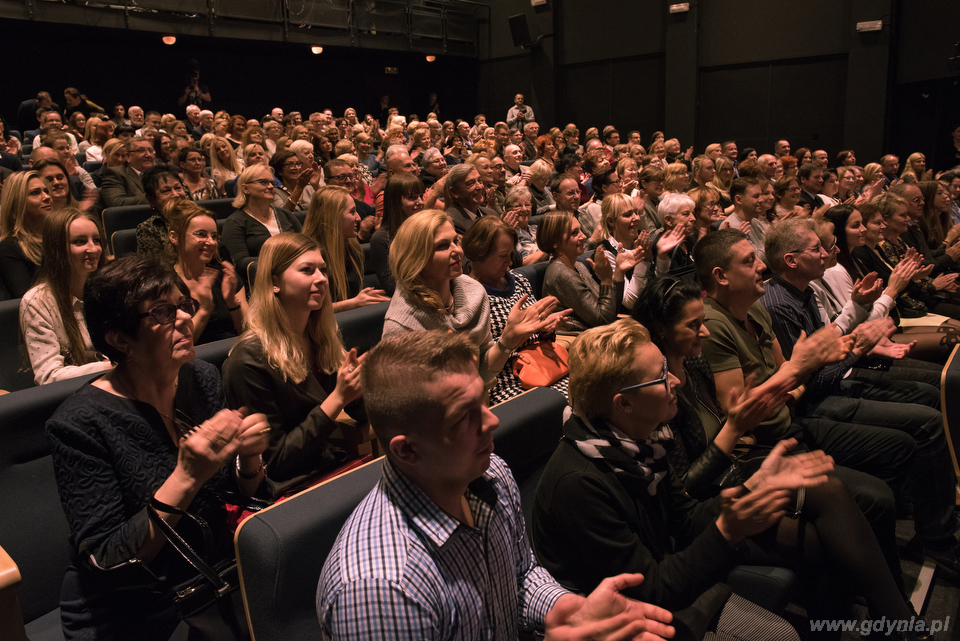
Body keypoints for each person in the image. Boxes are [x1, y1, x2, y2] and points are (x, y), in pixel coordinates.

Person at [317, 329, 676, 641]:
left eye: (482, 401)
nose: (492, 421)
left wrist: (564, 606)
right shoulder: (382, 589)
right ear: (408, 450)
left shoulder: (492, 474)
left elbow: (521, 574)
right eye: (463, 416)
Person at [631, 278, 925, 632]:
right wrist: (740, 425)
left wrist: (749, 420)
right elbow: (685, 490)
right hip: (709, 498)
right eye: (694, 325)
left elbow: (733, 419)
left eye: (703, 321)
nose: (705, 332)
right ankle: (891, 620)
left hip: (735, 464)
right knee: (825, 526)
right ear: (661, 330)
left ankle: (891, 616)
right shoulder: (655, 389)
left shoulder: (694, 363)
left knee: (861, 495)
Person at [533, 318, 816, 641]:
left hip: (666, 590)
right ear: (624, 403)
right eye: (659, 377)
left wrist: (753, 486)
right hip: (626, 622)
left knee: (782, 634)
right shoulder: (579, 483)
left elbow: (685, 519)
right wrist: (728, 530)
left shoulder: (643, 442)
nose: (675, 382)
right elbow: (651, 590)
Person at [46, 255, 269, 640]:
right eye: (162, 312)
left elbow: (228, 499)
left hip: (208, 583)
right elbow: (110, 559)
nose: (184, 318)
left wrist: (249, 460)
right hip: (130, 612)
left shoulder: (199, 377)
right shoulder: (79, 424)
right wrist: (185, 477)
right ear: (119, 339)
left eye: (183, 305)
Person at [222, 233, 366, 497]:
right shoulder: (248, 359)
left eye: (323, 270)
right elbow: (275, 461)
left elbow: (361, 411)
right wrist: (338, 398)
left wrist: (370, 381)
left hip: (329, 470)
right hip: (288, 493)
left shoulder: (320, 336)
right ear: (275, 282)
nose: (321, 278)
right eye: (307, 270)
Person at [383, 209, 565, 386]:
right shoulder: (400, 325)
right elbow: (406, 401)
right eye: (442, 246)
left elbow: (483, 372)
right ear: (415, 257)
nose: (457, 251)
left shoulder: (474, 292)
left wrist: (507, 341)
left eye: (455, 241)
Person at [462, 216, 570, 403]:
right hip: (509, 381)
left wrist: (545, 329)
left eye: (510, 255)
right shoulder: (468, 298)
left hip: (545, 366)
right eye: (503, 256)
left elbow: (536, 334)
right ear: (479, 254)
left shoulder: (519, 281)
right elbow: (479, 364)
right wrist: (515, 336)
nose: (510, 262)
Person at [20, 208, 112, 385]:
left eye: (97, 240)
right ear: (57, 249)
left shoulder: (109, 288)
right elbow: (48, 377)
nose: (93, 249)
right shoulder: (37, 302)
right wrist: (110, 366)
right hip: (76, 396)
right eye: (80, 242)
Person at [539, 211, 640, 336]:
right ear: (555, 242)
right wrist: (606, 279)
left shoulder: (578, 266)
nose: (584, 237)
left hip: (595, 333)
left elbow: (609, 311)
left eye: (580, 230)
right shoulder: (561, 274)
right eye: (574, 233)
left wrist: (618, 272)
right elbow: (603, 320)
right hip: (581, 341)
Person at [167, 201, 246, 345]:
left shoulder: (226, 277)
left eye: (214, 236)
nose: (211, 242)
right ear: (174, 237)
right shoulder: (164, 285)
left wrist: (232, 302)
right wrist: (204, 309)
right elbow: (175, 346)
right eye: (201, 235)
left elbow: (248, 334)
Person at [302, 185, 388, 311]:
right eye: (352, 212)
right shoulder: (308, 256)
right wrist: (354, 303)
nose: (358, 218)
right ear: (333, 217)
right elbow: (305, 309)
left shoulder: (352, 247)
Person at [222, 165, 303, 268]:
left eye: (272, 183)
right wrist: (280, 259)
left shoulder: (285, 214)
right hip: (261, 278)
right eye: (263, 182)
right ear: (245, 189)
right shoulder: (235, 222)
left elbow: (305, 245)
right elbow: (239, 262)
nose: (270, 187)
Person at [369, 173, 424, 295]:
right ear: (396, 202)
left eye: (421, 196)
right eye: (412, 197)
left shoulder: (427, 230)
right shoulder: (381, 239)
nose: (420, 202)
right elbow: (392, 286)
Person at [0, 170, 51, 297]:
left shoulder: (61, 235)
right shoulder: (8, 248)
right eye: (35, 193)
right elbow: (27, 299)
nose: (47, 197)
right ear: (17, 203)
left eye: (46, 191)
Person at [135, 166, 188, 257]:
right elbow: (156, 268)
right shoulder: (148, 229)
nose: (175, 195)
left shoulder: (199, 218)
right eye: (166, 191)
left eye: (178, 188)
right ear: (151, 199)